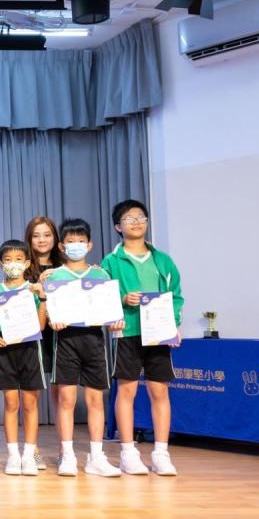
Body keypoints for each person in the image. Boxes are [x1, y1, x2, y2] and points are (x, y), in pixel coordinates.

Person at [101, 199, 184, 477]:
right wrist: (123, 300)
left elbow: (176, 295)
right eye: (129, 218)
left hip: (158, 333)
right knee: (127, 390)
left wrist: (174, 323)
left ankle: (161, 453)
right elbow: (103, 297)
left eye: (141, 217)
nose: (136, 222)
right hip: (127, 331)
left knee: (159, 390)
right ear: (118, 226)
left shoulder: (163, 260)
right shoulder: (111, 261)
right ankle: (128, 452)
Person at [44, 219, 123, 478]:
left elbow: (111, 312)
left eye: (80, 241)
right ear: (61, 246)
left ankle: (96, 457)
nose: (75, 245)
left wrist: (115, 322)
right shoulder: (55, 277)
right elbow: (49, 312)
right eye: (70, 241)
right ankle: (67, 455)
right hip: (65, 342)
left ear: (89, 245)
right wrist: (54, 320)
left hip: (94, 342)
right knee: (66, 399)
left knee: (95, 400)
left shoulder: (101, 276)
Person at [0, 240, 47, 477]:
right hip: (6, 351)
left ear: (27, 263)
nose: (13, 264)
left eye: (19, 260)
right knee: (11, 403)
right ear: (1, 264)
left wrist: (42, 299)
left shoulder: (33, 289)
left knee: (30, 404)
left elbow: (41, 325)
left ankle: (30, 455)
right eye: (8, 260)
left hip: (30, 349)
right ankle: (13, 454)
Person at [22, 215, 64, 471]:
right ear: (29, 239)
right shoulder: (21, 266)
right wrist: (36, 287)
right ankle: (33, 449)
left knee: (62, 395)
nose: (42, 240)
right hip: (32, 335)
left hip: (61, 335)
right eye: (36, 235)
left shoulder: (66, 266)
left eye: (47, 235)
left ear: (55, 238)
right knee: (31, 395)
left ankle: (64, 450)